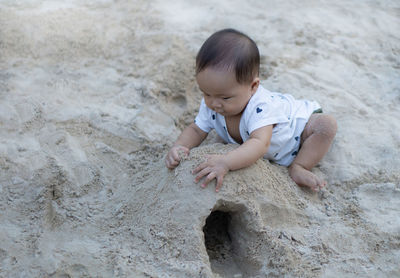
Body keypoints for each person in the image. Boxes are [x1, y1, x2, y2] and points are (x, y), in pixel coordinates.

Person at [165, 28, 337, 192]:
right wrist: (180, 146)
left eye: (225, 98)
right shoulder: (213, 102)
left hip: (296, 132)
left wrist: (226, 162)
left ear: (253, 86)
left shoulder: (260, 107)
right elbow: (196, 129)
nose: (214, 103)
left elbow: (260, 144)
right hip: (259, 137)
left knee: (326, 125)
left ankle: (300, 166)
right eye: (206, 93)